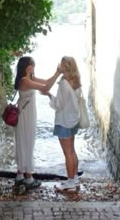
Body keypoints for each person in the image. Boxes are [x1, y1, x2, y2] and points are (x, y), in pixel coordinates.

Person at [13, 56, 61, 189]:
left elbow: (46, 82)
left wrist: (56, 73)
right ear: (28, 67)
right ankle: (28, 178)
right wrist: (58, 73)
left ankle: (20, 176)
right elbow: (46, 87)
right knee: (27, 142)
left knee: (24, 142)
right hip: (25, 115)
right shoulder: (24, 81)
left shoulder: (29, 79)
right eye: (34, 65)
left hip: (27, 113)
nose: (35, 68)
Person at [44, 56, 82, 192]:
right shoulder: (76, 80)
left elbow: (59, 105)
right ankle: (75, 178)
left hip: (64, 120)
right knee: (72, 151)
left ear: (64, 66)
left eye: (61, 64)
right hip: (73, 119)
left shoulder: (64, 84)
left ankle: (70, 182)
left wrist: (49, 95)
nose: (59, 65)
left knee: (67, 153)